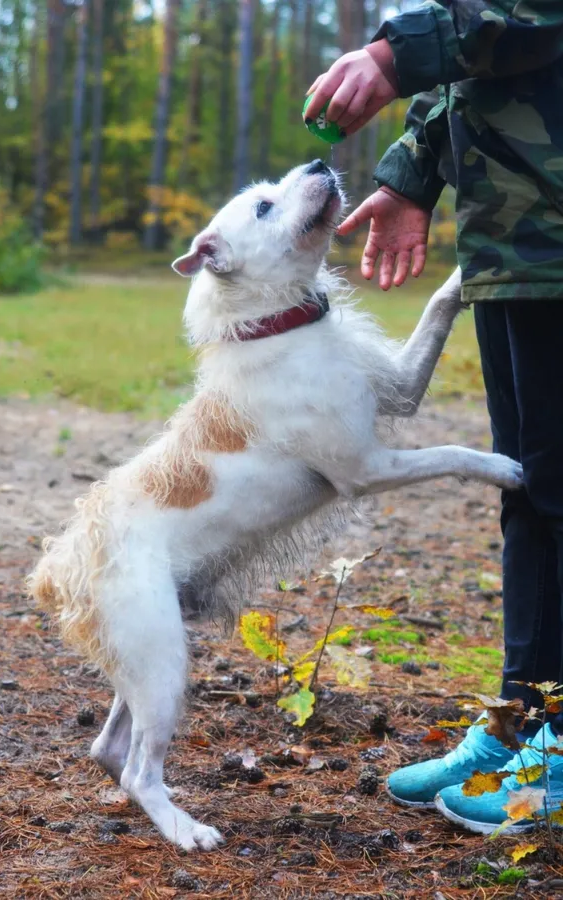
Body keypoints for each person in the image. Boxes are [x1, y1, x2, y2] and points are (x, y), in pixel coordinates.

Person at [306, 1, 563, 834]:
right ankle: (525, 722)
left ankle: (557, 755)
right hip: (519, 244)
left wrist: (391, 55)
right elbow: (476, 48)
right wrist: (412, 175)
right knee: (531, 493)